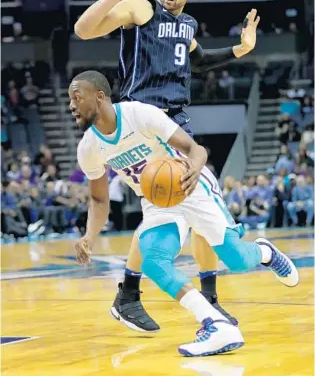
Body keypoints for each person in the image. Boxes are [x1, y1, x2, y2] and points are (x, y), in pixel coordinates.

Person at [74, 0, 260, 333]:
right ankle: (172, 297)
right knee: (188, 203)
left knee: (185, 206)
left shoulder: (187, 25)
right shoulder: (143, 9)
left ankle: (141, 295)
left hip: (172, 124)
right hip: (140, 123)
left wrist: (241, 49)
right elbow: (83, 29)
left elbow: (200, 62)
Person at [70, 71, 299, 356]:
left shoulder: (138, 114)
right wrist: (89, 237)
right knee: (153, 260)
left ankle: (265, 252)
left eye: (76, 97)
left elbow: (196, 149)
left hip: (190, 184)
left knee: (237, 260)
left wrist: (192, 171)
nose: (71, 105)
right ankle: (214, 323)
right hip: (156, 200)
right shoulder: (89, 148)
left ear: (100, 96)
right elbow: (98, 200)